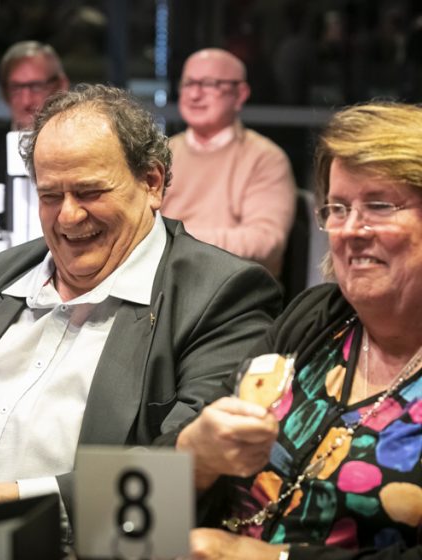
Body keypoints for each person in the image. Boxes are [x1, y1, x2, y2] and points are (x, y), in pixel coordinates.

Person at [0, 84, 281, 542]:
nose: (67, 216)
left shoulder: (218, 295)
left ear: (152, 182)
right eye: (50, 196)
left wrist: (32, 507)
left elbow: (191, 470)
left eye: (89, 192)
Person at [177, 101, 422, 560]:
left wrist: (265, 558)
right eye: (338, 208)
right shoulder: (316, 318)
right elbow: (140, 509)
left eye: (379, 206)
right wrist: (194, 458)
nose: (351, 230)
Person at [160, 48, 296, 277]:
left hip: (232, 288)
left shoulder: (265, 158)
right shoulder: (161, 154)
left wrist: (172, 240)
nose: (195, 94)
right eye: (188, 83)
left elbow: (265, 242)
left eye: (209, 84)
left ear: (240, 94)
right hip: (162, 283)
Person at [0, 41, 69, 232]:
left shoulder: (81, 146)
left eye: (36, 87)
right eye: (16, 88)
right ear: (4, 93)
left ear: (61, 86)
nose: (26, 101)